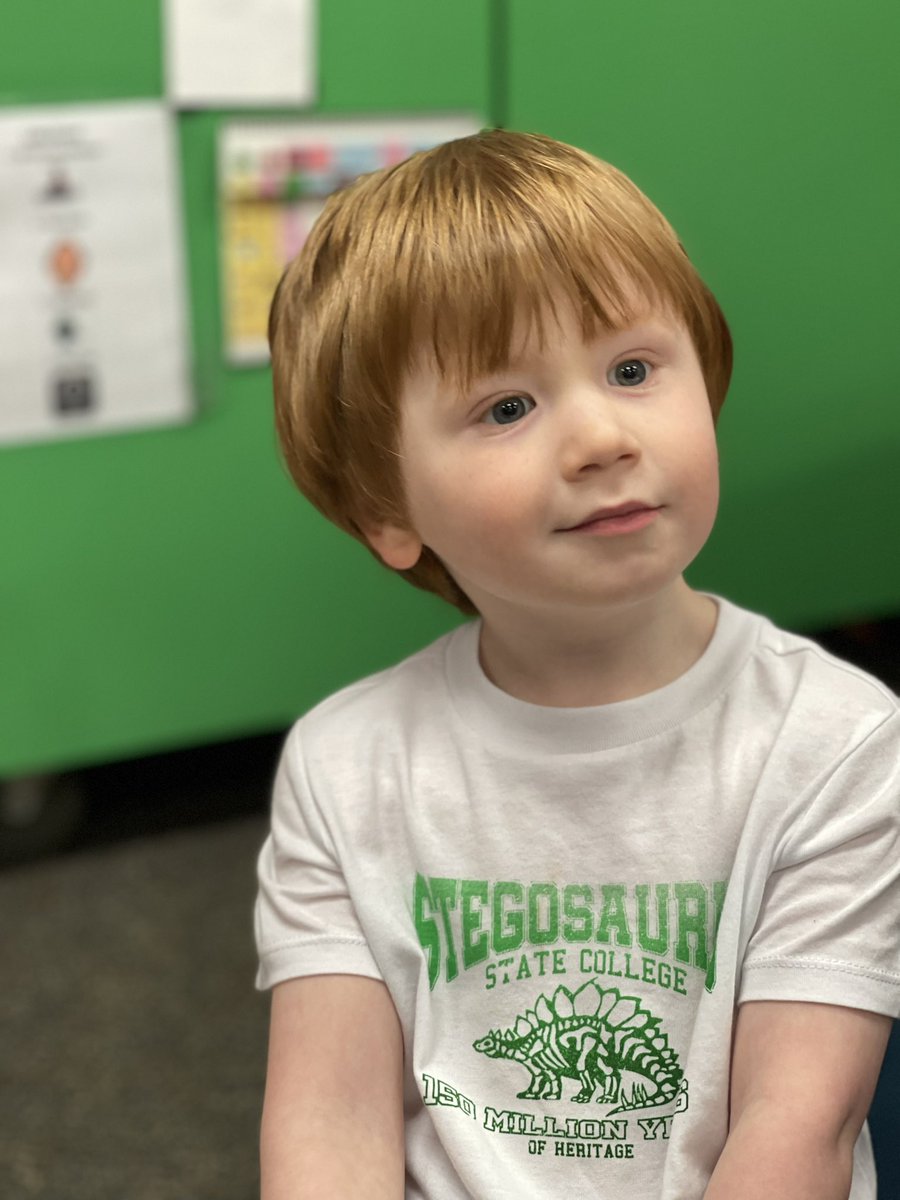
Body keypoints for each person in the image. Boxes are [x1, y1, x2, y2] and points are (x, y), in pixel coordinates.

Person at [254, 129, 900, 1199]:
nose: (602, 434)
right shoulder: (344, 767)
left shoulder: (839, 743)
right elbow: (330, 1125)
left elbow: (800, 1132)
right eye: (508, 406)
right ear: (386, 512)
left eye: (634, 368)